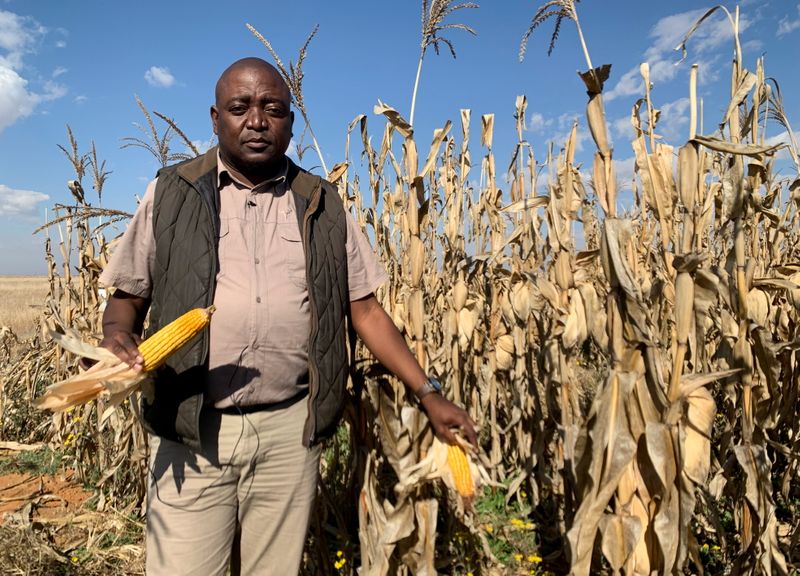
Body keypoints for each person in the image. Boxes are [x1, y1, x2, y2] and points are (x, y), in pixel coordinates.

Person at [97, 57, 477, 576]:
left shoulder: (321, 203)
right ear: (215, 118)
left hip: (287, 432)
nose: (256, 120)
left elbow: (364, 310)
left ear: (291, 122)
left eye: (273, 108)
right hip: (193, 428)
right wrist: (118, 335)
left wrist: (428, 392)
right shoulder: (171, 194)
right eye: (240, 108)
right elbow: (127, 295)